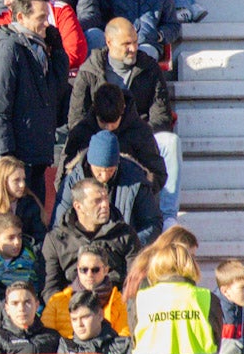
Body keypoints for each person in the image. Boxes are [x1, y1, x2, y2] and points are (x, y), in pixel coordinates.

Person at [70, 16, 180, 223]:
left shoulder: (149, 68)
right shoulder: (89, 72)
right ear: (109, 43)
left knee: (171, 142)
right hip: (99, 139)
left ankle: (168, 218)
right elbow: (76, 119)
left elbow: (161, 115)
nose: (133, 48)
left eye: (135, 42)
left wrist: (136, 133)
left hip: (139, 137)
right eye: (126, 44)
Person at [0, 0, 69, 203]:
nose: (47, 24)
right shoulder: (7, 50)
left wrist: (58, 52)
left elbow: (56, 92)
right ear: (20, 18)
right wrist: (5, 159)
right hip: (16, 161)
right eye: (41, 18)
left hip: (36, 155)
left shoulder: (37, 48)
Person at [56, 128, 162, 243]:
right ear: (90, 164)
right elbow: (59, 225)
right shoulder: (73, 180)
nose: (105, 176)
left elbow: (153, 223)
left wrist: (129, 244)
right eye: (99, 171)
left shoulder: (135, 178)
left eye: (110, 170)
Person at [42, 178, 140, 301]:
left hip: (115, 310)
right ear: (79, 206)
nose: (105, 205)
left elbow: (134, 282)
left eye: (106, 199)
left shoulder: (126, 234)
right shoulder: (56, 240)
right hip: (72, 310)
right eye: (97, 201)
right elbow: (50, 288)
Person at [41, 244, 131, 339]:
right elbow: (46, 340)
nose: (89, 274)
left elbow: (124, 339)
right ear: (78, 269)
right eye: (84, 269)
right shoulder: (57, 302)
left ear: (106, 270)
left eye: (95, 270)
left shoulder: (121, 302)